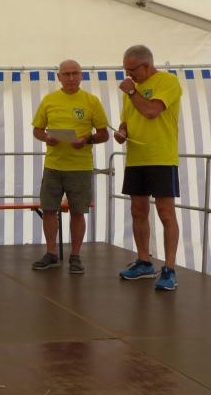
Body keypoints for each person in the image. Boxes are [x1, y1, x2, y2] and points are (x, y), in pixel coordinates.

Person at [30, 60, 109, 274]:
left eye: (75, 73)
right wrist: (46, 137)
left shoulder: (91, 101)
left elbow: (104, 134)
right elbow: (37, 129)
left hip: (80, 167)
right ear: (59, 77)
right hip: (53, 165)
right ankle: (51, 253)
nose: (71, 78)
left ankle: (75, 255)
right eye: (66, 74)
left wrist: (87, 140)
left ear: (82, 75)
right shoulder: (49, 100)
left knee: (78, 211)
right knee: (48, 209)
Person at [114, 45, 182, 291]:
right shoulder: (130, 90)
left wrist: (132, 92)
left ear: (147, 65)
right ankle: (144, 261)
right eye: (125, 70)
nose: (128, 74)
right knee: (137, 210)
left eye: (132, 70)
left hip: (162, 157)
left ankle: (169, 268)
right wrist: (122, 132)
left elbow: (151, 111)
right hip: (136, 158)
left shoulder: (168, 81)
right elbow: (126, 120)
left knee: (165, 212)